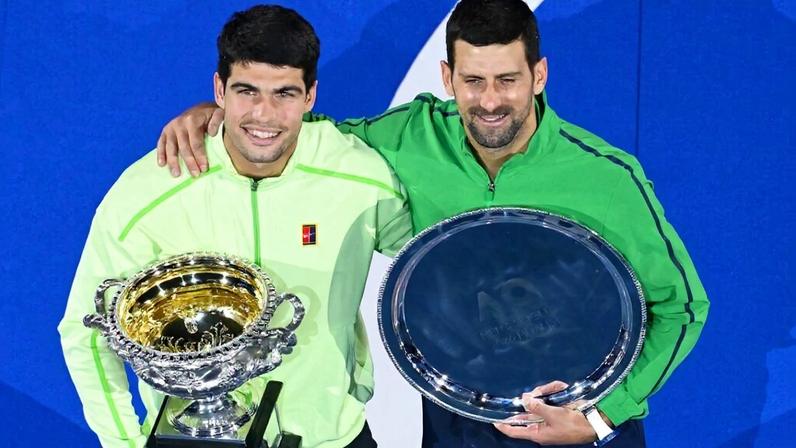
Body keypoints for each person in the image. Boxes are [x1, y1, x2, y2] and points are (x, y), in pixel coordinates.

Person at [156, 0, 709, 446]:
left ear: (539, 75)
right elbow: (298, 131)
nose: (490, 102)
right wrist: (214, 115)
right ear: (447, 76)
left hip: (574, 419)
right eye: (473, 81)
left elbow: (683, 308)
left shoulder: (606, 176)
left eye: (507, 80)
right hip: (457, 418)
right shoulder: (406, 139)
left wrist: (602, 418)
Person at [58, 5, 412, 448]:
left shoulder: (361, 175)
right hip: (199, 437)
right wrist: (124, 442)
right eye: (247, 91)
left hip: (334, 438)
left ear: (311, 96)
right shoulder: (148, 191)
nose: (264, 115)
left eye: (284, 93)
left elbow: (429, 259)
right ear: (219, 90)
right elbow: (86, 330)